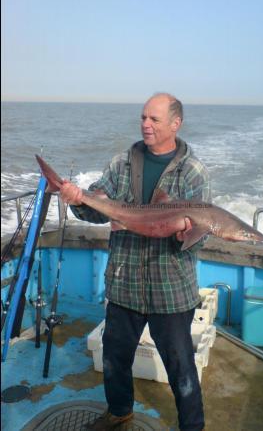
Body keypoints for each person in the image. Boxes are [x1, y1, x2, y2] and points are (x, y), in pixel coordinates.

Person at [60, 93, 211, 431]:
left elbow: (203, 235)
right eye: (143, 117)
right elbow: (95, 207)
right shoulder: (122, 163)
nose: (145, 124)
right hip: (125, 282)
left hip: (170, 290)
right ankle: (119, 412)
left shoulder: (194, 172)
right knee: (114, 359)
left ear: (176, 123)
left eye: (154, 119)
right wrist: (76, 200)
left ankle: (193, 426)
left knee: (181, 367)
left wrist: (182, 232)